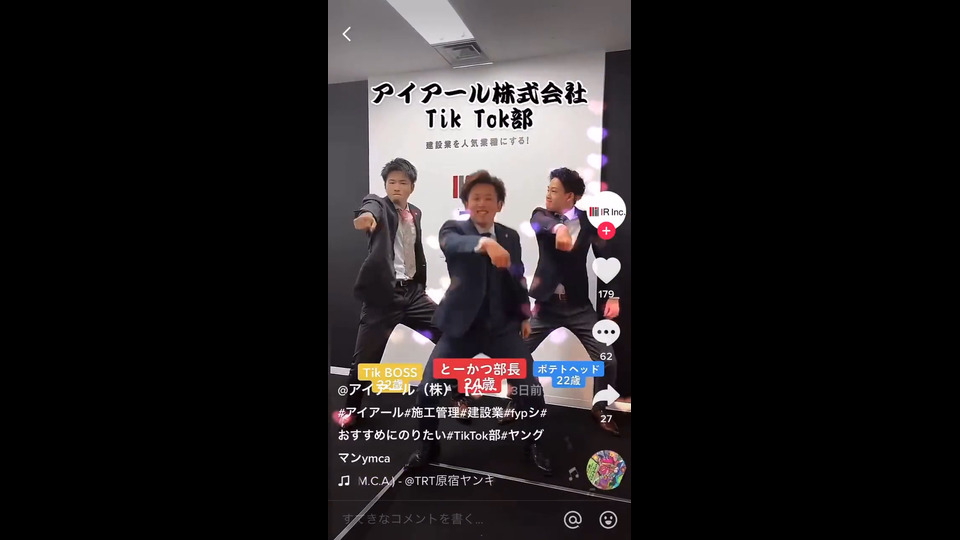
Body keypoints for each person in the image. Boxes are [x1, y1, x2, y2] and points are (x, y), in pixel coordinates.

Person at [405, 171, 553, 474]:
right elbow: (453, 244)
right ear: (466, 203)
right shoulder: (453, 229)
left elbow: (517, 276)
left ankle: (534, 443)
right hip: (460, 331)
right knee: (427, 390)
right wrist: (485, 244)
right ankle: (428, 446)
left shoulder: (510, 236)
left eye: (489, 198)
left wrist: (524, 315)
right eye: (476, 198)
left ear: (499, 205)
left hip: (502, 330)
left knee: (531, 390)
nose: (482, 203)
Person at [500, 167, 622, 435]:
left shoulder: (589, 222)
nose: (548, 195)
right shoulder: (541, 215)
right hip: (545, 307)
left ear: (570, 196)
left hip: (579, 307)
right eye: (548, 189)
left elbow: (605, 258)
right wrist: (559, 228)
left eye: (554, 191)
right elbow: (540, 221)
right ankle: (517, 399)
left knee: (607, 360)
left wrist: (613, 295)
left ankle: (600, 407)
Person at [337, 158, 450, 429]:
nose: (396, 187)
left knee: (450, 332)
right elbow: (370, 209)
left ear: (412, 187)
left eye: (402, 182)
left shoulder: (416, 213)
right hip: (382, 299)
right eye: (391, 182)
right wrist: (366, 219)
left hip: (412, 294)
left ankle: (456, 394)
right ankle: (350, 411)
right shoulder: (379, 204)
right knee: (364, 361)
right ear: (385, 185)